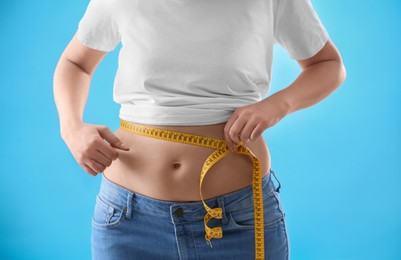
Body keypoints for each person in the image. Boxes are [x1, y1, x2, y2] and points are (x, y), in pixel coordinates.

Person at [53, 0, 346, 259]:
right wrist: (71, 128)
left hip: (237, 219)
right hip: (129, 221)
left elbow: (329, 65)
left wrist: (278, 105)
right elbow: (75, 62)